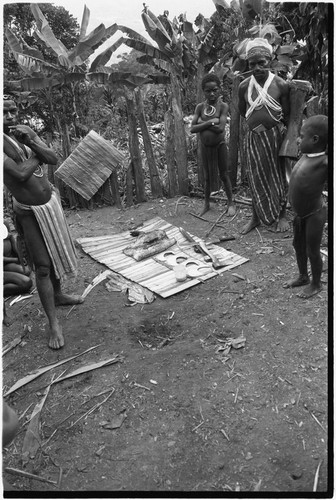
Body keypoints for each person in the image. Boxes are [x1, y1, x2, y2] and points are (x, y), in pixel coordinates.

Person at [3, 98, 83, 349]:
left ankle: (58, 295)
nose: (8, 115)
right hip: (29, 212)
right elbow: (20, 174)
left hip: (49, 205)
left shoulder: (24, 134)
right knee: (43, 267)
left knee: (54, 255)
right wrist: (37, 149)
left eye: (12, 110)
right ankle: (53, 324)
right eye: (2, 111)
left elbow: (54, 157)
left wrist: (34, 141)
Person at [238, 38, 290, 234]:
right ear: (248, 65)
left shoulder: (280, 85)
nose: (257, 67)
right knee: (255, 176)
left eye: (262, 63)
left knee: (278, 175)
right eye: (252, 64)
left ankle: (282, 214)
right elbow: (244, 112)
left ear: (270, 61)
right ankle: (255, 217)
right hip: (254, 138)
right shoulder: (244, 86)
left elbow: (286, 113)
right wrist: (257, 123)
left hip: (275, 137)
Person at [283, 115, 328, 299]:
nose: (298, 139)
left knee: (312, 250)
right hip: (299, 214)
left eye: (302, 136)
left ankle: (316, 284)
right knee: (298, 245)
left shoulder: (324, 161)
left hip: (314, 214)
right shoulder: (306, 155)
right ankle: (303, 276)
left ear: (315, 139)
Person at [191, 73, 236, 217]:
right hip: (205, 147)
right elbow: (192, 128)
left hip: (219, 145)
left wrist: (201, 124)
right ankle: (206, 204)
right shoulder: (199, 107)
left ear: (219, 89)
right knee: (207, 177)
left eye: (215, 90)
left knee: (224, 174)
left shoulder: (223, 106)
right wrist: (211, 121)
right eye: (208, 91)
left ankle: (231, 203)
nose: (212, 93)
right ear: (203, 91)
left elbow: (220, 129)